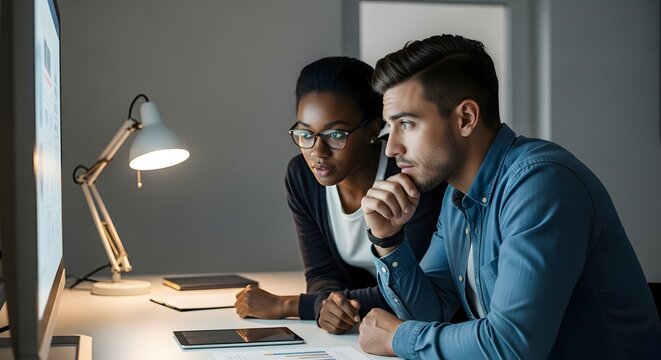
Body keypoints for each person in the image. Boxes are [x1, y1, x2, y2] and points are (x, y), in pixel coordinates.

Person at [357, 34, 661, 359]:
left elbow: (512, 345)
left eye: (407, 123)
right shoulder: (456, 196)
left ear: (466, 119)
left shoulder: (541, 183)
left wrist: (398, 338)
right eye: (391, 127)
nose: (391, 148)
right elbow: (431, 312)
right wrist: (388, 239)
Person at [234, 57, 446, 334]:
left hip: (424, 329)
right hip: (364, 332)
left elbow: (417, 288)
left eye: (335, 134)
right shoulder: (301, 175)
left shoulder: (412, 176)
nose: (318, 152)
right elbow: (321, 274)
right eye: (305, 133)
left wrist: (291, 305)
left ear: (372, 129)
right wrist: (326, 304)